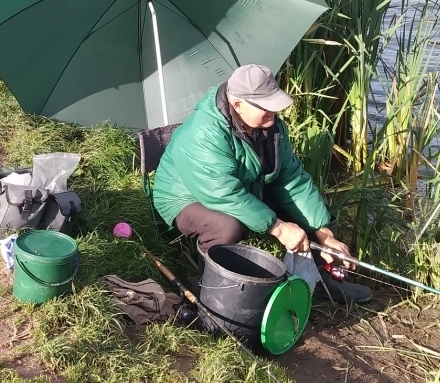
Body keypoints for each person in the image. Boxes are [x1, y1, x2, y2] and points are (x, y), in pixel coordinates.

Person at [152, 64, 373, 303]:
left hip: (242, 186)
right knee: (227, 226)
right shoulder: (204, 132)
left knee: (299, 209)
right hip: (186, 197)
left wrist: (324, 234)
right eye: (265, 108)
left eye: (275, 106)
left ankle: (319, 279)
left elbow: (292, 180)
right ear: (237, 104)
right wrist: (278, 227)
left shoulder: (271, 126)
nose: (273, 115)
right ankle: (209, 290)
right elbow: (224, 193)